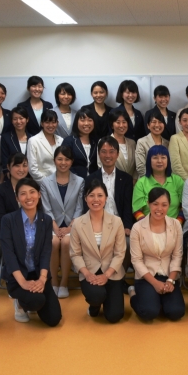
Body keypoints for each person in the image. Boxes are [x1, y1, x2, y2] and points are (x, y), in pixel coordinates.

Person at [0, 178, 62, 327]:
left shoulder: (46, 220)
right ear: (17, 198)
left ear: (39, 194)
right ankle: (20, 304)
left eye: (32, 192)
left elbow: (46, 252)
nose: (28, 197)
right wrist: (23, 283)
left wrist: (42, 280)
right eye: (23, 194)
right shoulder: (8, 220)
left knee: (54, 319)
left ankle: (33, 298)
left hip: (38, 274)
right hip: (17, 277)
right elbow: (9, 255)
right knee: (36, 301)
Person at [70, 180, 126, 323]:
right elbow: (75, 254)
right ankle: (94, 306)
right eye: (91, 195)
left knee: (114, 316)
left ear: (106, 198)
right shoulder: (78, 223)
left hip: (111, 272)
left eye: (100, 195)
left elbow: (120, 253)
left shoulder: (116, 221)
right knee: (96, 296)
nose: (96, 199)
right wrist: (87, 274)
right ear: (85, 198)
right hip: (89, 272)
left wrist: (106, 275)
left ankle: (107, 299)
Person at [128, 188, 185, 322]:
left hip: (168, 275)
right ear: (148, 204)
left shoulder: (176, 225)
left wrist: (170, 280)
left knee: (176, 312)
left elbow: (177, 255)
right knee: (149, 313)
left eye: (164, 205)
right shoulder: (137, 228)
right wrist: (155, 283)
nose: (159, 209)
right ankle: (133, 293)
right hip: (146, 277)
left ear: (169, 205)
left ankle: (158, 299)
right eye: (155, 204)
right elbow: (136, 260)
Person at [85, 136, 134, 280]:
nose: (108, 155)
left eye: (112, 151)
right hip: (98, 223)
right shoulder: (90, 179)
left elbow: (127, 205)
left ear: (117, 154)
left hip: (119, 224)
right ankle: (99, 274)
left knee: (128, 243)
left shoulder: (126, 178)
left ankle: (119, 277)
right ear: (99, 154)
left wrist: (127, 226)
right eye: (104, 151)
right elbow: (87, 205)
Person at [40, 147, 84, 299]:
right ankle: (54, 282)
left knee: (66, 242)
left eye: (67, 159)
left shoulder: (79, 181)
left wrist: (69, 228)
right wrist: (56, 228)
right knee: (53, 242)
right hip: (52, 224)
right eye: (59, 159)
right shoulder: (45, 182)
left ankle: (64, 282)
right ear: (54, 160)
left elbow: (79, 208)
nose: (63, 162)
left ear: (72, 161)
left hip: (73, 225)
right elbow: (46, 209)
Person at [133, 145, 184, 222]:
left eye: (163, 157)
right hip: (148, 226)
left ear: (168, 160)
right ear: (149, 161)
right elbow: (137, 210)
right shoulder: (141, 183)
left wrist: (176, 224)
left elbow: (184, 207)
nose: (159, 161)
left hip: (174, 226)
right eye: (155, 158)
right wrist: (147, 226)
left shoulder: (177, 181)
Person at [61, 108, 99, 180]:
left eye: (90, 120)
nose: (86, 123)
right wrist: (77, 180)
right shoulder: (69, 141)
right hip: (74, 181)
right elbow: (65, 163)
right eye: (82, 120)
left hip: (93, 181)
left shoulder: (96, 141)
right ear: (76, 122)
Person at [27, 109, 63, 183]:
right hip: (42, 183)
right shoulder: (33, 141)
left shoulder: (61, 140)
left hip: (61, 180)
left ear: (57, 123)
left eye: (53, 122)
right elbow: (32, 168)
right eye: (47, 122)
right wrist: (47, 183)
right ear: (42, 123)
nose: (51, 125)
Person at [0, 152, 29, 225]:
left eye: (24, 165)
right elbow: (1, 217)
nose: (21, 169)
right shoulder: (0, 190)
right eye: (17, 165)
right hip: (9, 228)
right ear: (8, 167)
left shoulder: (33, 187)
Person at [135, 111, 169, 178]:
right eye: (154, 122)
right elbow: (140, 167)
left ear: (164, 125)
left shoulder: (167, 143)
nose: (157, 125)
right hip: (146, 180)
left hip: (164, 180)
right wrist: (153, 180)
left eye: (160, 122)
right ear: (148, 126)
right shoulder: (141, 142)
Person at [0, 106, 32, 175]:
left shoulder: (33, 138)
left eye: (21, 118)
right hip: (12, 175)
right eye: (15, 119)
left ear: (27, 119)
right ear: (11, 121)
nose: (18, 121)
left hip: (30, 175)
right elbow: (5, 159)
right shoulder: (6, 138)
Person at [108, 110, 137, 181]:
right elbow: (101, 166)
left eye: (124, 122)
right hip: (112, 182)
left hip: (132, 184)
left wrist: (134, 179)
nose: (121, 125)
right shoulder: (105, 143)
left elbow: (136, 166)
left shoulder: (132, 143)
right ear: (112, 125)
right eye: (118, 122)